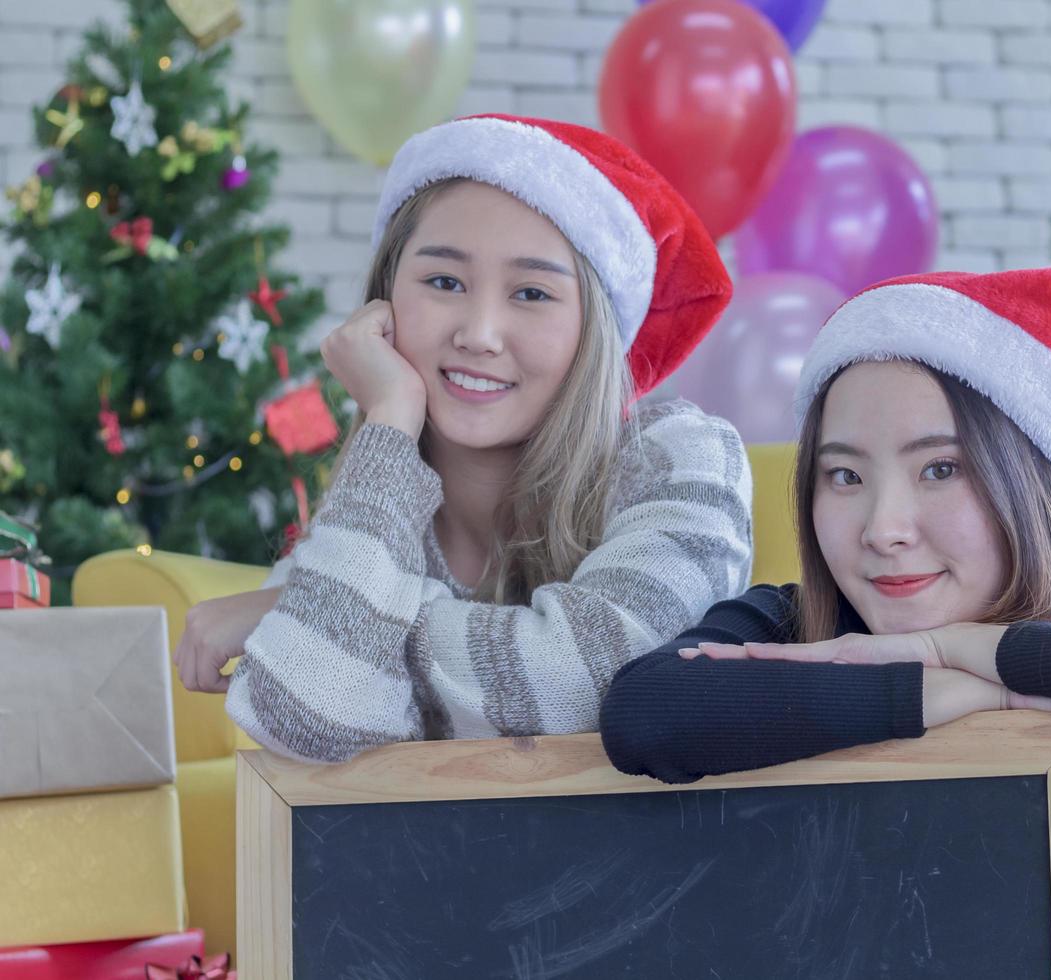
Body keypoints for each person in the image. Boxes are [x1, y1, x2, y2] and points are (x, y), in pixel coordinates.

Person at [600, 269, 1051, 977]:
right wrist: (980, 697)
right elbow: (648, 712)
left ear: (1026, 477)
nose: (883, 530)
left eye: (939, 469)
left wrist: (963, 648)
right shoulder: (797, 625)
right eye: (844, 476)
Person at [173, 114, 753, 764]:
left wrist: (317, 615)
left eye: (532, 293)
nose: (479, 333)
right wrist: (390, 415)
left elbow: (606, 683)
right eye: (444, 282)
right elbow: (307, 719)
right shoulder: (375, 499)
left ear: (597, 332)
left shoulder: (680, 456)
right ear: (383, 304)